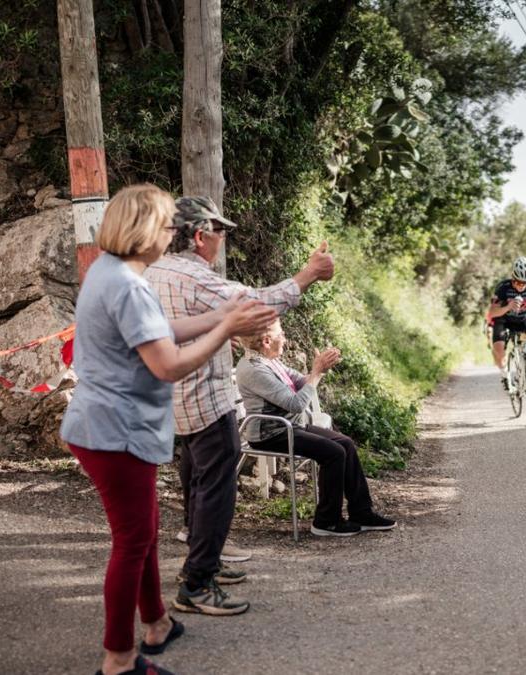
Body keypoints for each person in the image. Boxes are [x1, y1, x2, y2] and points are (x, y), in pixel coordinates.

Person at [61, 184, 275, 675]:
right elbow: (169, 364)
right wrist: (225, 330)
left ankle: (156, 624)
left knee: (145, 534)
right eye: (166, 224)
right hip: (113, 431)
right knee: (132, 542)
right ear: (143, 230)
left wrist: (222, 314)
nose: (173, 233)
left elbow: (159, 330)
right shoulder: (129, 285)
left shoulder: (110, 272)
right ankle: (119, 659)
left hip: (107, 426)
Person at [144, 196, 335, 616]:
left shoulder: (154, 271)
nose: (223, 239)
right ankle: (197, 583)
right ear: (199, 236)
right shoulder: (194, 276)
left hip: (172, 398)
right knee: (216, 488)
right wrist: (309, 274)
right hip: (205, 399)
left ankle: (199, 565)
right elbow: (260, 307)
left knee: (195, 479)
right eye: (220, 231)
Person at [236, 318, 396, 536]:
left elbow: (301, 382)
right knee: (334, 453)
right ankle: (326, 522)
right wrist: (317, 372)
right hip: (270, 432)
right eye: (281, 334)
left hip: (290, 426)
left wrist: (321, 367)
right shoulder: (254, 369)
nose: (285, 338)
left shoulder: (269, 361)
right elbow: (296, 403)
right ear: (266, 341)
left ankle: (362, 512)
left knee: (346, 444)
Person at [486, 256, 526, 389]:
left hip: (521, 320)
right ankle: (504, 374)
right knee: (499, 350)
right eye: (518, 282)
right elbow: (491, 312)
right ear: (513, 278)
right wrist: (508, 307)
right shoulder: (503, 287)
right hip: (502, 320)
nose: (521, 286)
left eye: (524, 283)